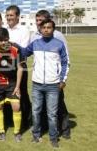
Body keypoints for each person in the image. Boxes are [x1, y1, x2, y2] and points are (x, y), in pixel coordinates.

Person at [22, 19, 69, 148]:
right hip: (37, 84)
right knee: (36, 111)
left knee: (52, 114)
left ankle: (53, 138)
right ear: (40, 29)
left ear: (53, 29)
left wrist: (63, 80)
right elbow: (24, 52)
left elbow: (65, 63)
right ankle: (36, 135)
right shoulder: (35, 43)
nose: (46, 29)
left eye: (49, 27)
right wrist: (12, 45)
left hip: (53, 85)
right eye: (44, 27)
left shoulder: (59, 44)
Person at [31, 9, 71, 139]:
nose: (38, 23)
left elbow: (65, 58)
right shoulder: (34, 36)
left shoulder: (58, 35)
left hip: (54, 80)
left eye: (40, 20)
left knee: (59, 106)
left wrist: (62, 79)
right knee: (40, 108)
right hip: (39, 80)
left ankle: (65, 130)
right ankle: (42, 130)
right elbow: (28, 51)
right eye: (37, 20)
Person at [0, 28, 23, 142]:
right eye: (0, 40)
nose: (3, 42)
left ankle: (17, 132)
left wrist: (18, 87)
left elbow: (20, 68)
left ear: (8, 38)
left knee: (16, 106)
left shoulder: (15, 49)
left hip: (12, 83)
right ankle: (2, 131)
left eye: (5, 39)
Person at [5, 5, 32, 129]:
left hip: (20, 66)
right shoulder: (4, 29)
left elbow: (24, 49)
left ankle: (25, 121)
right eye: (7, 15)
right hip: (5, 67)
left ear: (17, 16)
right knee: (8, 93)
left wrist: (9, 44)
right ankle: (10, 120)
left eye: (11, 15)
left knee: (22, 93)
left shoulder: (24, 30)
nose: (9, 17)